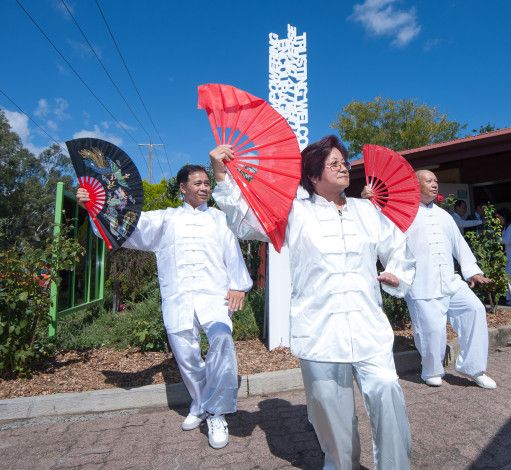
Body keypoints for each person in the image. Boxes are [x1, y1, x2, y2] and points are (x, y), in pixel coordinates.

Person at [210, 135, 415, 470]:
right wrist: (222, 177)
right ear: (314, 175)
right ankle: (340, 463)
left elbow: (397, 248)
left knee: (387, 391)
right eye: (333, 163)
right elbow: (248, 220)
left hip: (368, 326)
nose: (343, 167)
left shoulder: (367, 211)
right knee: (329, 408)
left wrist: (395, 272)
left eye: (344, 162)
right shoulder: (295, 212)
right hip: (320, 329)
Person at [77, 165, 252, 449]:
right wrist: (92, 208)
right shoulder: (165, 220)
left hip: (214, 297)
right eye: (197, 183)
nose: (205, 187)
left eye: (207, 183)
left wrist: (238, 285)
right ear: (182, 187)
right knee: (187, 357)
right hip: (179, 298)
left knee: (222, 340)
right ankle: (199, 402)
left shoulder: (220, 220)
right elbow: (124, 226)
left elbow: (232, 253)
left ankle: (216, 413)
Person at [369, 169, 496, 389]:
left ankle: (473, 367)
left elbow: (459, 244)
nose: (434, 184)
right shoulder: (402, 213)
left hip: (450, 281)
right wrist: (371, 202)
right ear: (415, 185)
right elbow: (382, 230)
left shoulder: (444, 215)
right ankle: (432, 370)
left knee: (475, 309)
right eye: (429, 181)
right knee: (431, 331)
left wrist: (472, 270)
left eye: (436, 181)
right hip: (421, 284)